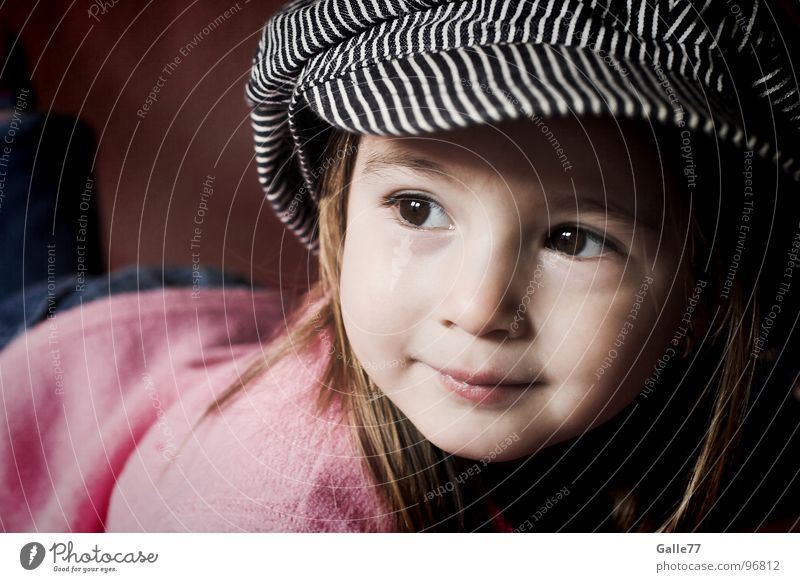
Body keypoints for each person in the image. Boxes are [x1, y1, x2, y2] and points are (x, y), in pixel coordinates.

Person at [2, 0, 799, 533]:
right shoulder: (279, 514)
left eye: (575, 239)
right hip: (73, 360)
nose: (478, 308)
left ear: (706, 295)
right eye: (418, 208)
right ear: (341, 215)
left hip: (233, 329)